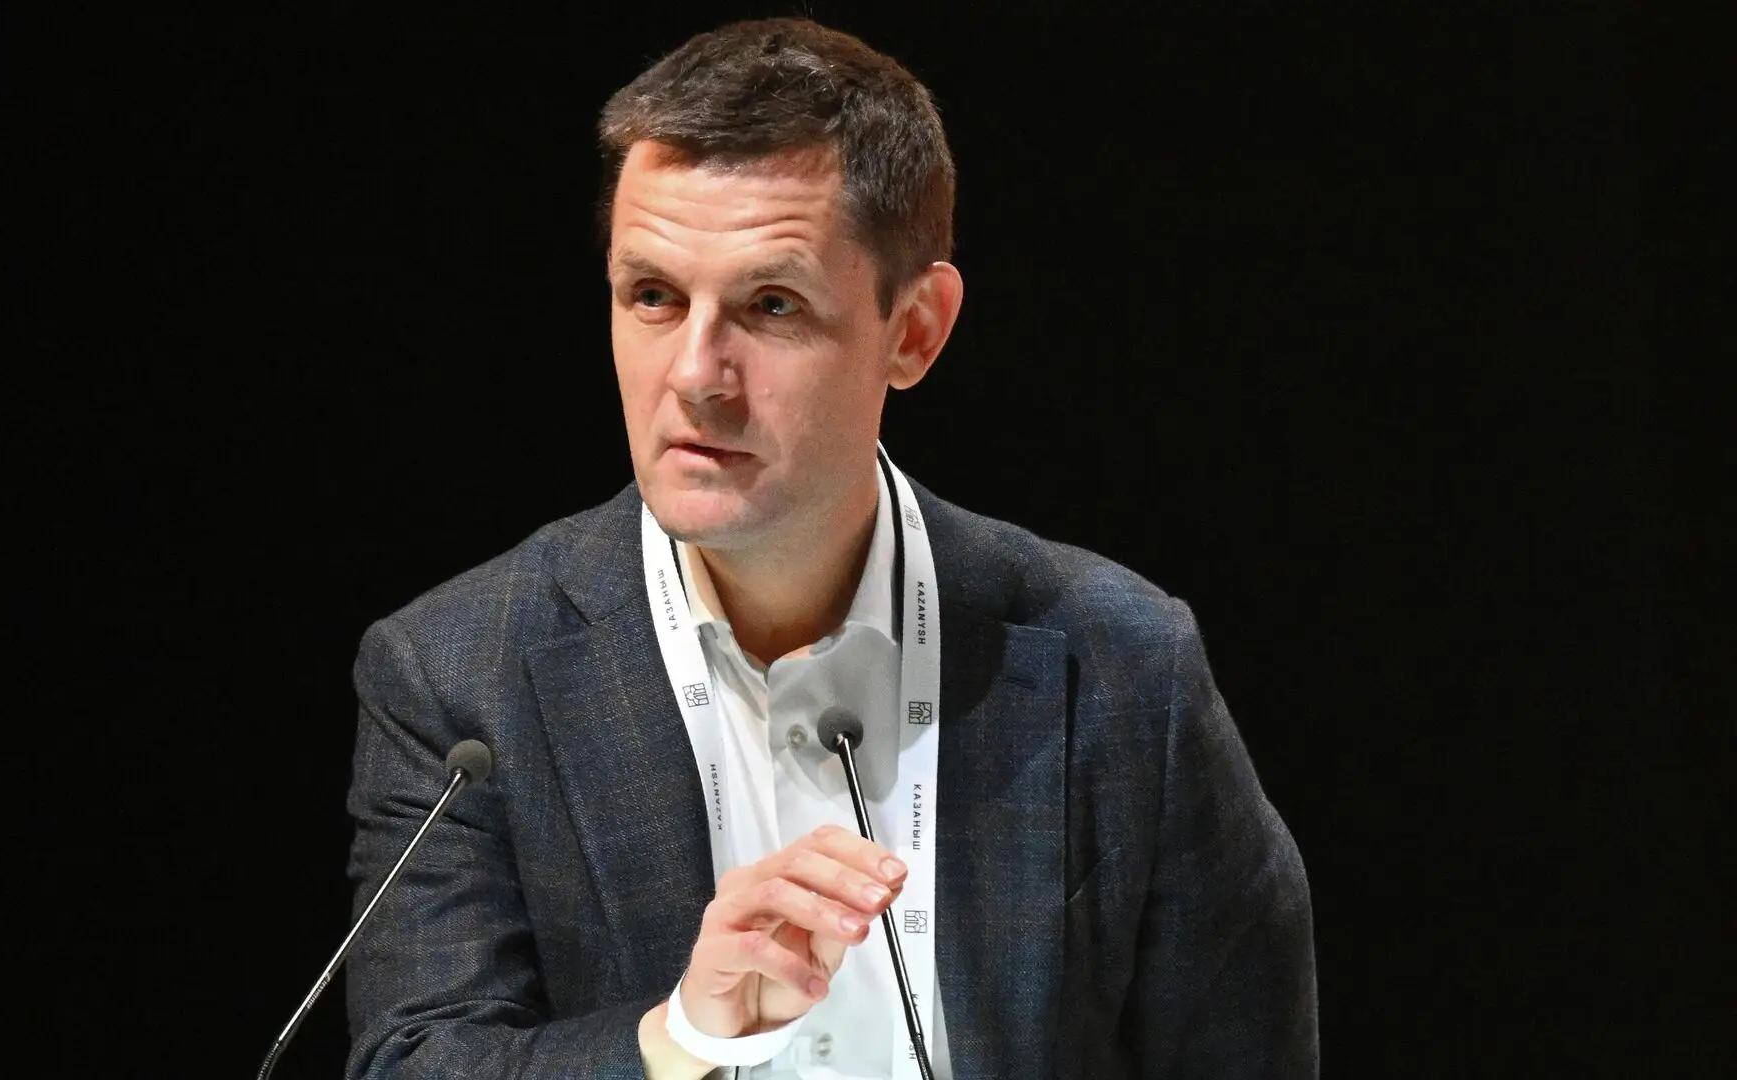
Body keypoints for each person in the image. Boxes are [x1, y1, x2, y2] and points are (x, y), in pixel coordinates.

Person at [344, 17, 1316, 1079]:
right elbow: (413, 1061)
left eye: (771, 304)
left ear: (916, 329)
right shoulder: (458, 676)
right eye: (653, 297)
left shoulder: (1123, 665)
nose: (696, 375)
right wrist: (681, 1036)